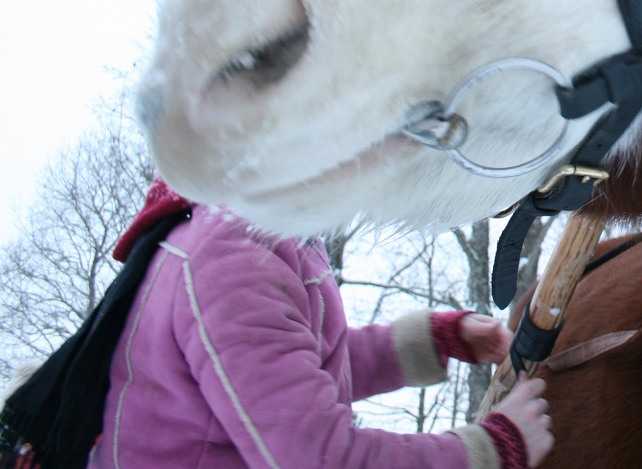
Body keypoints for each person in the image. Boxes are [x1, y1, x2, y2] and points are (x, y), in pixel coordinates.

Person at [2, 179, 553, 469]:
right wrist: (490, 449)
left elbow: (290, 378)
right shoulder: (231, 259)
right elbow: (319, 458)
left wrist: (432, 339)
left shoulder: (256, 232)